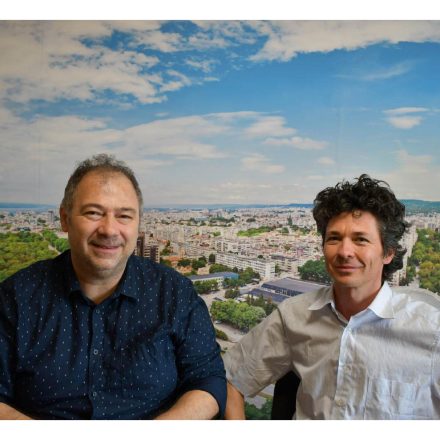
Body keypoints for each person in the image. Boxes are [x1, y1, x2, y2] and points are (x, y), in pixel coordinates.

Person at [0, 154, 226, 420]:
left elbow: (208, 380)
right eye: (93, 213)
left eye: (124, 216)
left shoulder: (175, 293)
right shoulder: (16, 298)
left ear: (138, 224)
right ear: (64, 218)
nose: (109, 229)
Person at [224, 174, 440, 419]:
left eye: (361, 240)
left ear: (388, 253)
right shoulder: (295, 315)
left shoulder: (431, 331)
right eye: (334, 238)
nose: (345, 251)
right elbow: (232, 378)